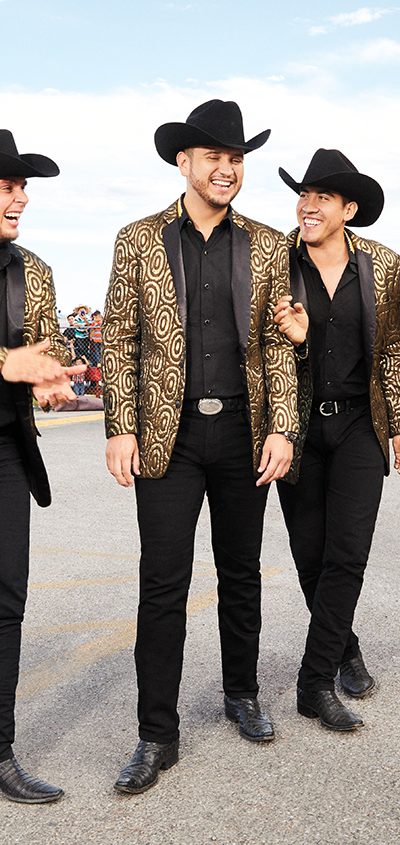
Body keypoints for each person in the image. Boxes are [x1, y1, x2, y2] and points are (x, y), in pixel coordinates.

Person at [103, 99, 299, 794]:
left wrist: (282, 426)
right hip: (169, 435)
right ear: (183, 161)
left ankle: (242, 694)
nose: (227, 168)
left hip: (245, 432)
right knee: (163, 583)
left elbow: (277, 343)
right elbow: (119, 338)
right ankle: (156, 733)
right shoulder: (137, 239)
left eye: (236, 158)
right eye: (214, 156)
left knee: (241, 572)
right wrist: (120, 425)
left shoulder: (269, 244)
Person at [273, 148, 400, 731]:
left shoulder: (384, 265)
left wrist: (396, 422)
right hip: (296, 425)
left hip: (358, 425)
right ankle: (344, 648)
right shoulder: (275, 262)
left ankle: (315, 681)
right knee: (310, 555)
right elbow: (261, 347)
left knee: (347, 554)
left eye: (322, 196)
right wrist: (296, 343)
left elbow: (393, 350)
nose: (308, 205)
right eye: (304, 194)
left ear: (348, 209)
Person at [0, 129, 85, 802]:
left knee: (7, 601)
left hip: (7, 449)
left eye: (22, 186)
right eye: (7, 185)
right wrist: (7, 362)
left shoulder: (34, 270)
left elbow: (46, 343)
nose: (21, 197)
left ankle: (0, 752)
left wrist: (49, 377)